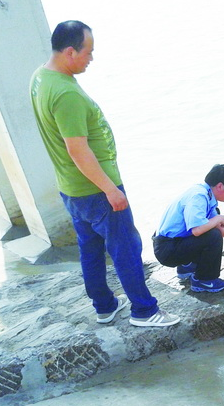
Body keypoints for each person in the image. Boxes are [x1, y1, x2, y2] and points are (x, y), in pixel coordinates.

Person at [29, 20, 179, 327]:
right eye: (88, 52)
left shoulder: (41, 77)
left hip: (71, 187)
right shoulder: (65, 94)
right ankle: (145, 311)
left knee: (91, 248)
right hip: (95, 188)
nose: (91, 59)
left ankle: (104, 305)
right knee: (126, 248)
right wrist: (110, 189)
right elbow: (78, 149)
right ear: (70, 51)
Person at [153, 164, 224, 292]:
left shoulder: (206, 194)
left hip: (171, 244)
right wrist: (219, 218)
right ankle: (205, 280)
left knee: (212, 227)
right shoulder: (198, 196)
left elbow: (220, 226)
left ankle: (186, 266)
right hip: (166, 250)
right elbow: (198, 230)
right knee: (213, 235)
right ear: (220, 186)